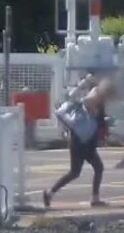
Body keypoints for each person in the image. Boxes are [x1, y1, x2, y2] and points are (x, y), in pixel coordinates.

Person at [43, 77, 116, 208]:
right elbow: (86, 105)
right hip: (81, 142)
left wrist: (103, 125)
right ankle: (51, 193)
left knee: (86, 170)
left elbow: (98, 122)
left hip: (85, 142)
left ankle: (51, 193)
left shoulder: (99, 101)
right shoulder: (95, 97)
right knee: (78, 171)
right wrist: (92, 112)